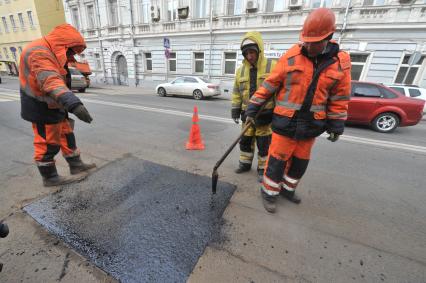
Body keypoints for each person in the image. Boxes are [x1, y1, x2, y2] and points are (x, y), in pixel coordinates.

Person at [245, 8, 352, 213]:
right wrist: (252, 108)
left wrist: (336, 125)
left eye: (315, 42)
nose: (309, 45)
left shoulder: (341, 64)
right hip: (285, 123)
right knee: (276, 161)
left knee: (300, 163)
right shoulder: (292, 55)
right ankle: (268, 193)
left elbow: (339, 98)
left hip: (312, 125)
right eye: (306, 41)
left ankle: (287, 190)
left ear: (328, 37)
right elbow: (269, 85)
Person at [19, 24, 95, 187]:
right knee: (47, 142)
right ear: (63, 45)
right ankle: (50, 177)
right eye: (71, 51)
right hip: (41, 105)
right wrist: (74, 104)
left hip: (55, 103)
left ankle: (76, 165)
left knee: (67, 134)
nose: (72, 55)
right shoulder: (39, 52)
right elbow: (50, 80)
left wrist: (66, 102)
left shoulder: (53, 52)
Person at [231, 31, 277, 182]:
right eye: (246, 53)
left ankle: (263, 169)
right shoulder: (240, 71)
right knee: (245, 141)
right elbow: (237, 92)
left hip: (265, 115)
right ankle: (244, 164)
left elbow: (280, 92)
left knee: (264, 144)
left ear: (259, 50)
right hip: (247, 115)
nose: (249, 56)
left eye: (252, 52)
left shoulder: (273, 66)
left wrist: (275, 112)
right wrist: (235, 109)